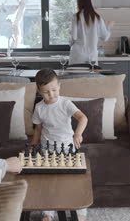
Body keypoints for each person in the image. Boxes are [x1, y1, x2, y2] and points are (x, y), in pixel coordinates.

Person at [31, 68, 88, 221]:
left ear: (59, 85)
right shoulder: (39, 107)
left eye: (54, 90)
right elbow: (37, 129)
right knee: (48, 183)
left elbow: (83, 118)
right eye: (46, 92)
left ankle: (80, 214)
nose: (51, 95)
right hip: (46, 150)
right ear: (38, 90)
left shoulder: (65, 103)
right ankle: (48, 214)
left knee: (73, 183)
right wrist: (33, 147)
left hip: (67, 149)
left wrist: (77, 134)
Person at [69, 0, 114, 65]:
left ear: (79, 3)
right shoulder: (97, 18)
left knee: (76, 76)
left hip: (77, 56)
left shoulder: (76, 17)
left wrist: (70, 43)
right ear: (90, 2)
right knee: (91, 75)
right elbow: (105, 38)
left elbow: (73, 38)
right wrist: (108, 27)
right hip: (91, 57)